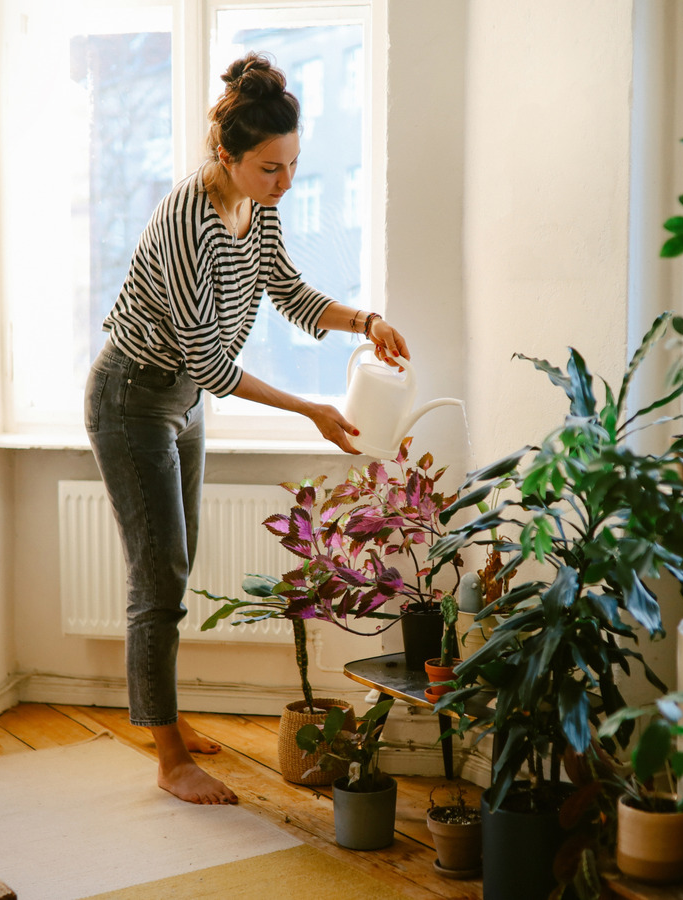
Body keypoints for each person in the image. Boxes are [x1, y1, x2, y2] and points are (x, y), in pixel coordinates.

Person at [84, 52, 410, 805]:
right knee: (157, 576)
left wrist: (366, 318)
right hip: (133, 397)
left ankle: (166, 720)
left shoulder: (255, 206)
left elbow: (289, 295)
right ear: (225, 156)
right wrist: (311, 410)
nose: (285, 184)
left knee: (178, 558)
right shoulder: (189, 224)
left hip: (183, 398)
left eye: (292, 165)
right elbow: (212, 362)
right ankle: (168, 758)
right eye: (270, 169)